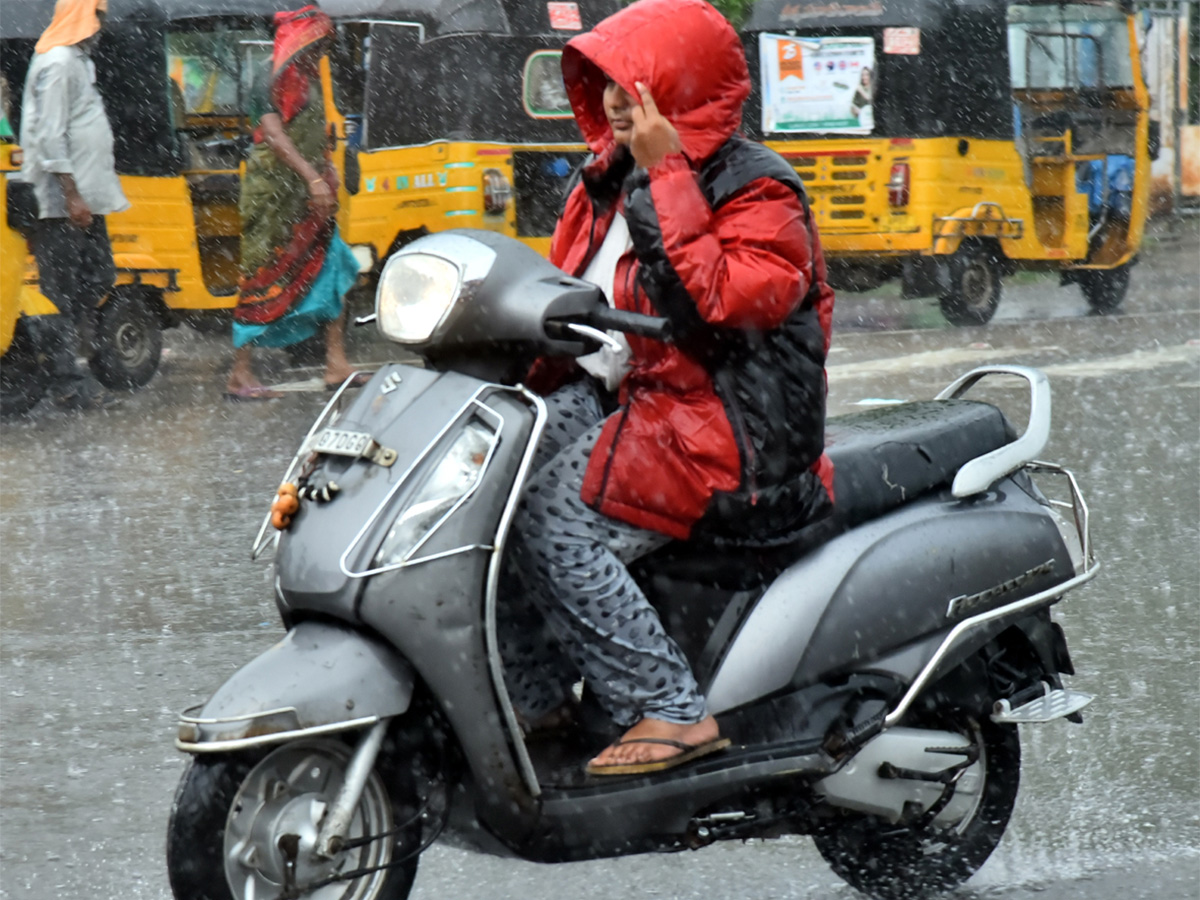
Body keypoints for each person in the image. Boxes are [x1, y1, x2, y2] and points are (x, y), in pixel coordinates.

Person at [507, 0, 836, 776]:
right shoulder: (601, 181)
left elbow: (723, 306)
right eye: (607, 84)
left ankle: (670, 709)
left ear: (680, 89)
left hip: (731, 424)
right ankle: (538, 696)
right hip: (640, 403)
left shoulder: (759, 190)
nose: (617, 100)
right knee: (489, 486)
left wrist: (666, 172)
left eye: (634, 82)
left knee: (554, 525)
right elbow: (569, 305)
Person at [225, 6, 365, 400]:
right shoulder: (267, 78)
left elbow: (315, 134)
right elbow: (274, 136)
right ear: (300, 39)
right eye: (317, 44)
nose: (321, 52)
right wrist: (312, 177)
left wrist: (326, 175)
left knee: (334, 268)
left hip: (310, 197)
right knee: (260, 280)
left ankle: (336, 364)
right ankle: (240, 373)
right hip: (272, 196)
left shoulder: (311, 79)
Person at [19, 0, 127, 410]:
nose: (103, 24)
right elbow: (49, 135)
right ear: (85, 15)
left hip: (83, 200)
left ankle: (66, 356)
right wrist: (71, 194)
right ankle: (65, 379)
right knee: (60, 293)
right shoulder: (60, 62)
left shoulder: (78, 61)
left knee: (98, 275)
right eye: (99, 14)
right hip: (62, 203)